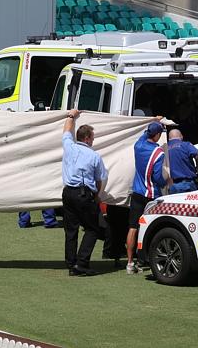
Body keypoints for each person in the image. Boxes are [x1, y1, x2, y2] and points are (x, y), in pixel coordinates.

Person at [61, 109, 108, 277]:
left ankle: (71, 263)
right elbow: (100, 179)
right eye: (93, 138)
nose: (93, 141)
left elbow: (66, 130)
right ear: (87, 138)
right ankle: (81, 264)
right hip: (83, 194)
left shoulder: (69, 146)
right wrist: (96, 196)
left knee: (71, 230)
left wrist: (71, 116)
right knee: (92, 228)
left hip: (68, 193)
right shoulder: (94, 156)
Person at [127, 120, 168, 274]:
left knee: (132, 228)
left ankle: (130, 263)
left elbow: (144, 135)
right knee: (153, 228)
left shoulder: (138, 145)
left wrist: (154, 122)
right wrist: (166, 182)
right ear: (157, 135)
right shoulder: (158, 152)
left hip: (137, 193)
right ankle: (147, 260)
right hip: (151, 195)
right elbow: (157, 177)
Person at [167, 129, 198, 194]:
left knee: (175, 204)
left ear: (169, 138)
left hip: (172, 185)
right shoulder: (186, 145)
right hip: (187, 184)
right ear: (181, 136)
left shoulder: (164, 148)